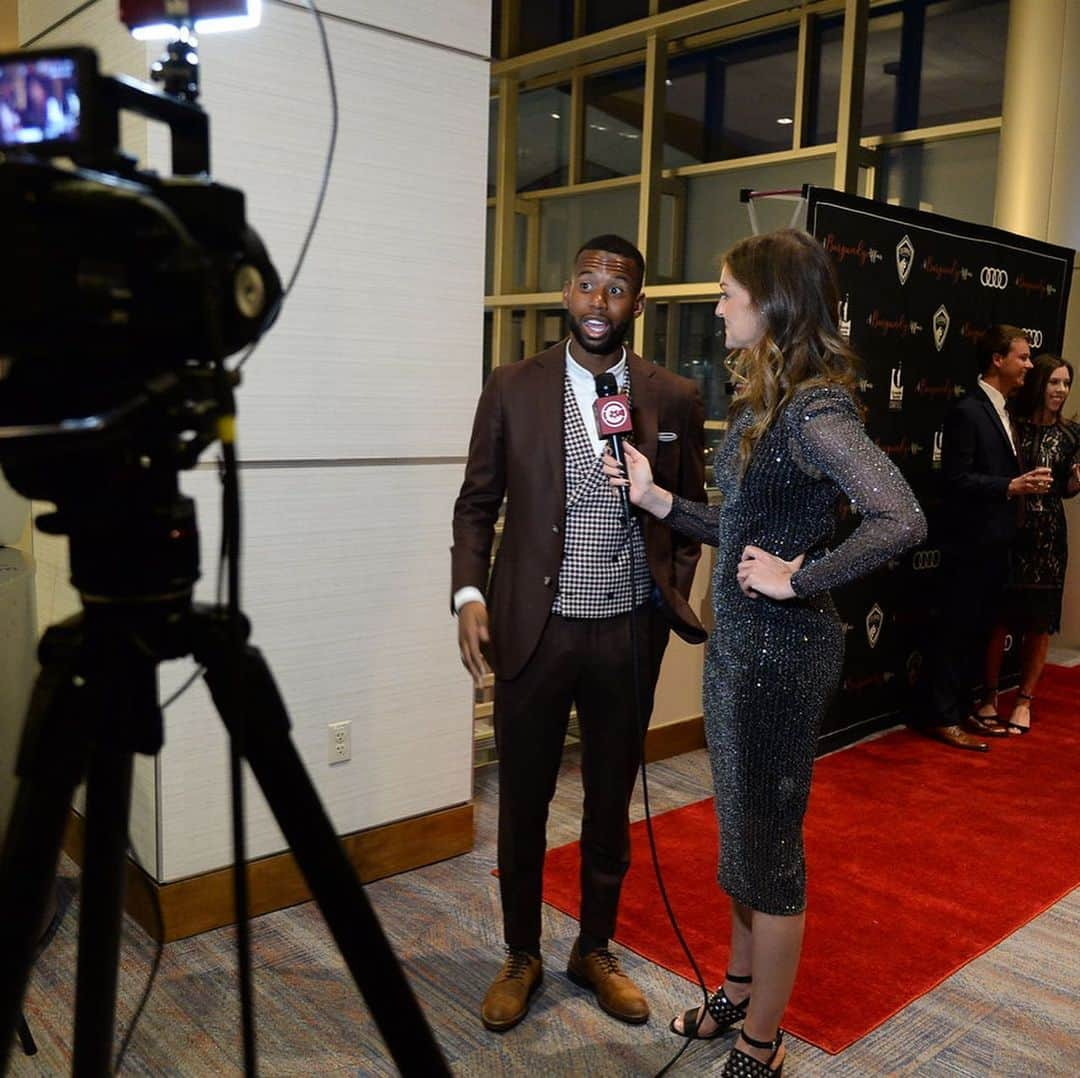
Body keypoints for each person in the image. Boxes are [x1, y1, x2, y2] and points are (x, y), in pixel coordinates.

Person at [603, 228, 925, 1076]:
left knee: (771, 857)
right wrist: (653, 497)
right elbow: (739, 531)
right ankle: (737, 992)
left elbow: (903, 516)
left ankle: (762, 1043)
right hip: (738, 653)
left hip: (782, 658)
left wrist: (803, 576)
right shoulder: (760, 408)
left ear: (773, 303)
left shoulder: (817, 411)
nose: (715, 307)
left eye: (725, 293)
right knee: (744, 845)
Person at [451, 234, 707, 1032]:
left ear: (639, 303)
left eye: (618, 288)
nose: (600, 301)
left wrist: (669, 596)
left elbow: (691, 511)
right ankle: (521, 952)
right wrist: (467, 592)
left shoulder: (672, 396)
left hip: (628, 633)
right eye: (588, 284)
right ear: (567, 293)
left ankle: (593, 947)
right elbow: (476, 504)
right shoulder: (512, 386)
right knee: (523, 799)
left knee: (609, 801)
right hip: (536, 629)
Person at [922, 326, 1053, 751]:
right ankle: (942, 717)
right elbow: (955, 480)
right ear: (997, 359)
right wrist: (1010, 487)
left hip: (997, 543)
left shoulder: (1004, 410)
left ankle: (962, 711)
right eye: (1023, 357)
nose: (1029, 365)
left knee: (977, 633)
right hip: (970, 544)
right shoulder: (968, 410)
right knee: (956, 631)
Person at [975, 354, 1080, 733]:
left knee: (1039, 622)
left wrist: (1075, 481)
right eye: (1054, 382)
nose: (1061, 390)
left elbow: (1065, 489)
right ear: (1039, 385)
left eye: (1066, 384)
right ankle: (988, 696)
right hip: (1009, 530)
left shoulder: (1072, 434)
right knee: (998, 618)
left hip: (1049, 537)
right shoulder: (1012, 426)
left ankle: (1024, 700)